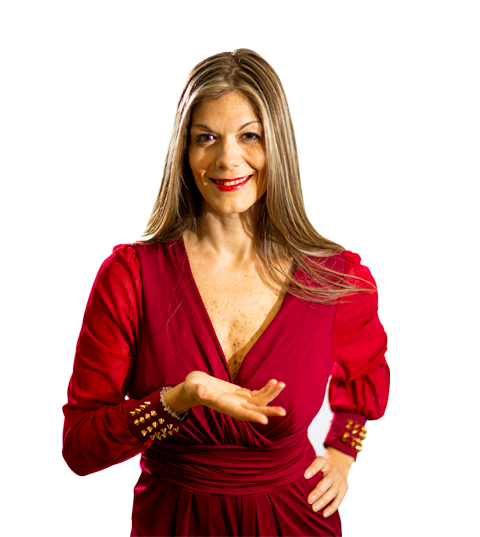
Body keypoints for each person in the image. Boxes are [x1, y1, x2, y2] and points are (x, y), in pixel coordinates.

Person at [61, 49, 389, 536]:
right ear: (183, 152)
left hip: (295, 520)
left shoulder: (335, 278)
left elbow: (365, 375)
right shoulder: (130, 277)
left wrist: (342, 451)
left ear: (278, 145)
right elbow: (80, 449)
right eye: (206, 137)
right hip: (172, 522)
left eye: (249, 135)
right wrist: (176, 399)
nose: (227, 159)